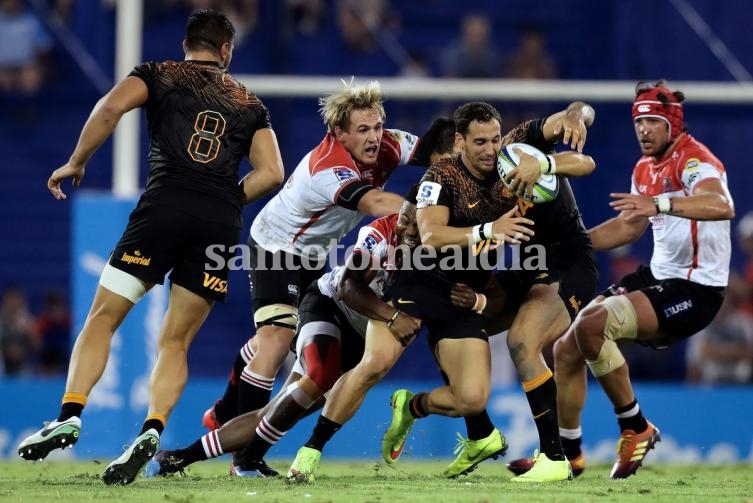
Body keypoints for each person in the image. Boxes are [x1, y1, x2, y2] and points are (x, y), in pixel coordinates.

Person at [17, 9, 285, 486]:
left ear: (187, 44)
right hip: (216, 224)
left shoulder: (157, 73)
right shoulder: (250, 103)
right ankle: (152, 427)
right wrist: (225, 200)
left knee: (103, 317)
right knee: (175, 340)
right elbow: (272, 173)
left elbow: (108, 109)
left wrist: (76, 161)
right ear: (226, 51)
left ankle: (71, 413)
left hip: (163, 207)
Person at [285, 101, 596, 483]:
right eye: (479, 141)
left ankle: (411, 406)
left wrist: (555, 149)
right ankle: (310, 452)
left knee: (472, 398)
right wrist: (489, 231)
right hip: (419, 281)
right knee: (375, 364)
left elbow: (584, 159)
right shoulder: (441, 175)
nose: (490, 149)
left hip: (464, 292)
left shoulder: (514, 155)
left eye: (495, 139)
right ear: (460, 142)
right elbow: (430, 237)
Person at [201, 80, 432, 467]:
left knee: (299, 357)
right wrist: (424, 211)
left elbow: (433, 150)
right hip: (278, 247)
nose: (374, 137)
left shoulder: (389, 142)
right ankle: (242, 456)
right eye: (363, 130)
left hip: (314, 256)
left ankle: (224, 413)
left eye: (377, 127)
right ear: (339, 133)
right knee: (277, 340)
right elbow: (375, 202)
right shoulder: (328, 167)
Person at [515, 80, 734, 479]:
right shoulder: (644, 168)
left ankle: (636, 426)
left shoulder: (693, 160)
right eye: (639, 122)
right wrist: (572, 245)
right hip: (657, 276)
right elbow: (629, 228)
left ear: (672, 124)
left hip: (697, 288)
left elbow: (722, 205)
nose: (643, 130)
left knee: (594, 325)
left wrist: (661, 203)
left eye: (652, 121)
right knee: (566, 347)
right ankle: (566, 456)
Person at [144, 187, 421, 478]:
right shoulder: (380, 232)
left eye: (417, 224)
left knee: (280, 410)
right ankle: (248, 459)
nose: (409, 230)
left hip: (361, 337)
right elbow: (348, 287)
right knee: (320, 375)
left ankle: (177, 458)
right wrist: (393, 316)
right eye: (405, 219)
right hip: (330, 307)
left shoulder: (441, 253)